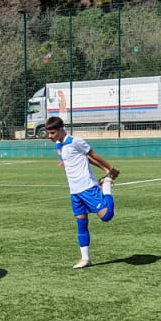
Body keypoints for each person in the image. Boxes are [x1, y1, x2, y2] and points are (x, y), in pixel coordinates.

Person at [43, 115, 122, 269]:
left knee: (107, 216)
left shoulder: (75, 141)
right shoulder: (58, 146)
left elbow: (92, 156)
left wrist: (109, 170)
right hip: (75, 192)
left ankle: (106, 185)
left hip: (88, 187)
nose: (50, 136)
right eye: (49, 133)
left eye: (52, 133)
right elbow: (81, 159)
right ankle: (85, 259)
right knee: (81, 225)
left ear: (60, 129)